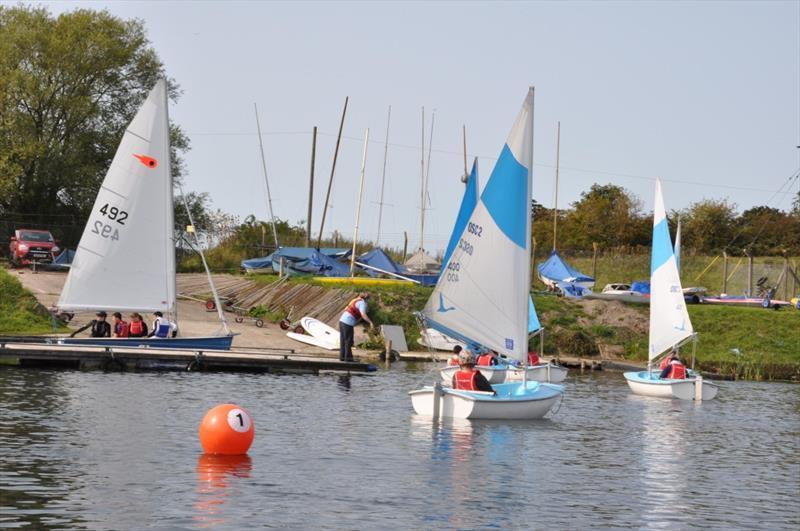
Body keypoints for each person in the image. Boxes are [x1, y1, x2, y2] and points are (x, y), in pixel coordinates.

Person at [338, 292, 374, 362]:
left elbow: (346, 308)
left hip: (342, 320)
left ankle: (342, 358)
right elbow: (363, 314)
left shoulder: (355, 300)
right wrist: (370, 322)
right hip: (348, 322)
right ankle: (348, 359)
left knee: (343, 340)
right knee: (348, 341)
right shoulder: (362, 303)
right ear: (367, 298)